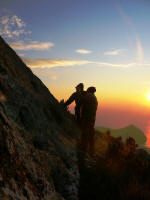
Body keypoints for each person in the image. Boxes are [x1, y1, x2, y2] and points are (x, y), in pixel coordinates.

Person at [80, 86, 98, 156]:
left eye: (87, 90)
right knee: (91, 135)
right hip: (92, 118)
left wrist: (80, 93)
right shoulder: (94, 97)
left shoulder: (89, 96)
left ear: (89, 90)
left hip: (87, 118)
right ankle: (92, 151)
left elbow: (82, 100)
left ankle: (83, 149)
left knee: (85, 133)